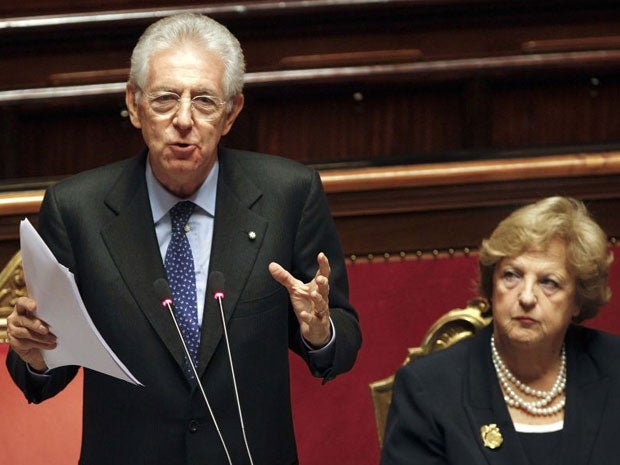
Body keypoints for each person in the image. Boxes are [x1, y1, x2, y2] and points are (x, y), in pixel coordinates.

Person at [6, 13, 361, 465]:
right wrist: (35, 354)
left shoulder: (287, 195)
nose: (184, 120)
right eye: (166, 99)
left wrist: (320, 332)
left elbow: (343, 340)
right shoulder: (76, 209)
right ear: (134, 105)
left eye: (205, 101)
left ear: (231, 113)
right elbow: (43, 376)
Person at [381, 196, 620, 464]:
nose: (526, 297)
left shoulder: (614, 366)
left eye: (549, 282)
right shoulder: (429, 389)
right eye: (511, 275)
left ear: (577, 300)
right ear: (491, 285)